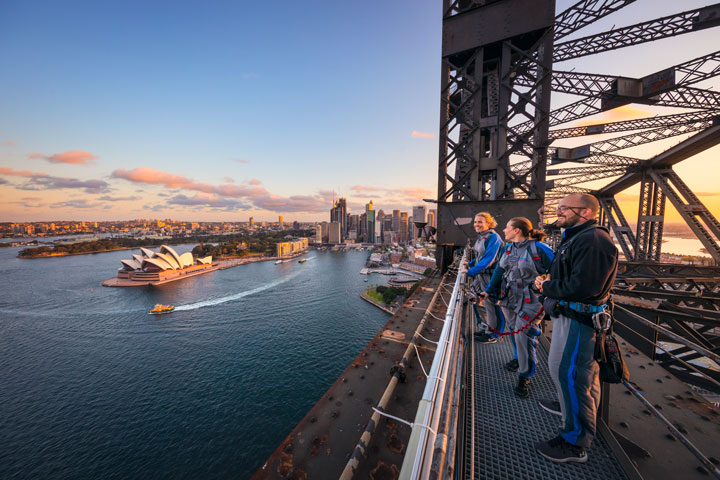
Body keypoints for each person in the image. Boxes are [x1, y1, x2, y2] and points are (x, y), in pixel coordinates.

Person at [534, 193, 618, 464]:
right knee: (576, 375)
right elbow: (574, 277)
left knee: (570, 373)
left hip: (579, 321)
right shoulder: (579, 237)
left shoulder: (593, 241)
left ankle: (574, 442)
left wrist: (546, 286)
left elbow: (585, 287)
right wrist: (552, 281)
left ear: (584, 212)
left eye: (563, 209)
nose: (557, 213)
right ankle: (569, 404)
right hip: (571, 316)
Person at [480, 217, 553, 398]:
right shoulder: (508, 248)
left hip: (531, 301)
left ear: (517, 230)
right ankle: (518, 358)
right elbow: (499, 271)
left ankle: (525, 375)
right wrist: (488, 292)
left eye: (507, 227)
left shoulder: (540, 249)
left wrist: (546, 282)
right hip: (509, 297)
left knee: (524, 336)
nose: (504, 230)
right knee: (513, 329)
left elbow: (559, 271)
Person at [463, 212, 503, 343]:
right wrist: (469, 263)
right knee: (486, 303)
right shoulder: (482, 237)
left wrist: (470, 272)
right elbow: (480, 256)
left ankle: (494, 335)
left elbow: (488, 259)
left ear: (489, 223)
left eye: (480, 222)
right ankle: (489, 329)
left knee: (493, 304)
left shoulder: (493, 238)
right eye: (475, 222)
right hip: (483, 275)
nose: (477, 224)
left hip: (491, 276)